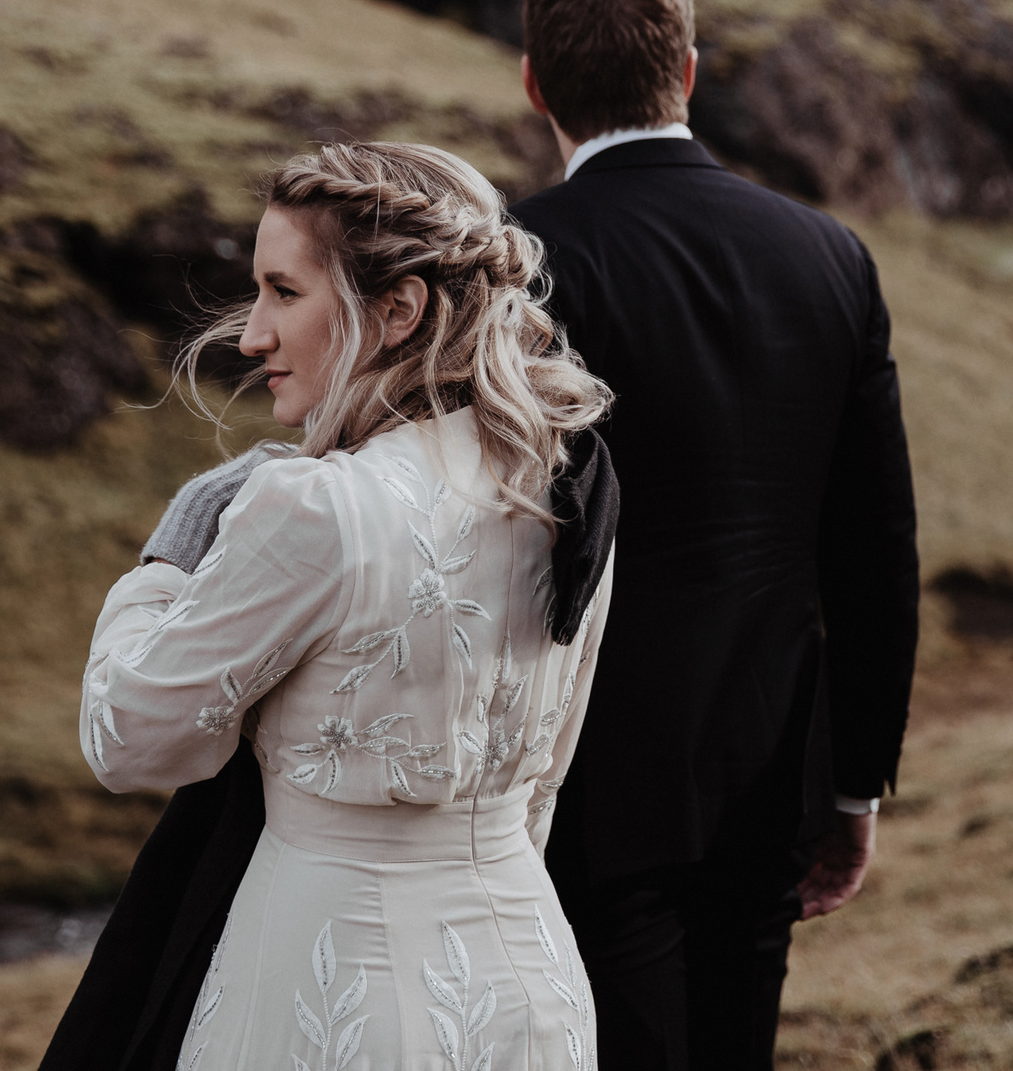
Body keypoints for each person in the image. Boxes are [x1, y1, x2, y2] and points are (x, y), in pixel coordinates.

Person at [43, 142, 620, 1071]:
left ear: (397, 309)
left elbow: (126, 735)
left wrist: (172, 551)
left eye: (284, 291)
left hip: (328, 998)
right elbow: (544, 781)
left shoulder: (318, 507)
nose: (250, 335)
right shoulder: (561, 480)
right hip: (533, 993)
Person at [510, 0, 921, 1071]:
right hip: (768, 759)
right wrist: (852, 783)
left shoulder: (518, 267)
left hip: (580, 778)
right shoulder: (829, 258)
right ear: (688, 70)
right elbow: (875, 546)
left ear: (535, 85)